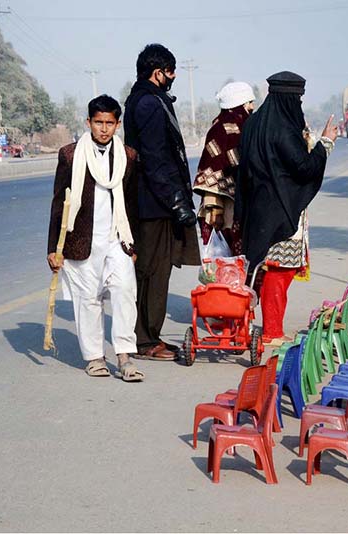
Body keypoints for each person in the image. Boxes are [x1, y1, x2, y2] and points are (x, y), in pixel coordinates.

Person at [235, 71, 338, 345]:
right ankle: (271, 331)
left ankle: (254, 327)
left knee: (263, 270)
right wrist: (326, 142)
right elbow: (303, 169)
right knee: (279, 272)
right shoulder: (283, 130)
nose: (299, 105)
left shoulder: (254, 123)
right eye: (298, 99)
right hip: (280, 213)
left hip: (257, 211)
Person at [47, 95, 144, 382]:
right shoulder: (69, 155)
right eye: (98, 122)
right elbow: (58, 203)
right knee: (87, 299)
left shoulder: (128, 156)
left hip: (117, 238)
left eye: (109, 123)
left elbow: (132, 204)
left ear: (118, 124)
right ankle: (95, 357)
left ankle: (125, 356)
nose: (103, 129)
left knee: (125, 291)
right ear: (88, 122)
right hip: (81, 239)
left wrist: (133, 243)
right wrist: (54, 248)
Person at [123, 43, 200, 361]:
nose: (172, 78)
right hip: (153, 204)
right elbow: (155, 160)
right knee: (153, 271)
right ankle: (145, 341)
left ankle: (146, 335)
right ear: (158, 73)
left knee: (152, 270)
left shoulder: (143, 98)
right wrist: (177, 202)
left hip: (152, 200)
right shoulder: (149, 103)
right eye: (170, 73)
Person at [193, 81, 256, 250]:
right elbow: (211, 168)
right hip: (223, 208)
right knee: (226, 265)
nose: (252, 107)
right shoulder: (220, 129)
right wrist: (215, 209)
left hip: (244, 204)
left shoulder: (247, 128)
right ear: (240, 104)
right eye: (249, 103)